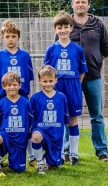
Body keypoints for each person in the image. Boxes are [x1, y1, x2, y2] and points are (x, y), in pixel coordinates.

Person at [70, 0, 108, 162]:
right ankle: (67, 150)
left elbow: (106, 49)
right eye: (77, 2)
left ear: (88, 4)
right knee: (69, 115)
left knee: (97, 116)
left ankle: (102, 151)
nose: (80, 4)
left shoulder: (98, 24)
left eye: (83, 2)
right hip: (71, 79)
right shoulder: (66, 24)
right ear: (73, 4)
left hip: (93, 77)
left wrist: (93, 62)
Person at [44, 10, 88, 165]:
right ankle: (61, 153)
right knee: (58, 121)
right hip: (56, 89)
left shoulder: (77, 49)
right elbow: (46, 73)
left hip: (73, 86)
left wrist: (75, 84)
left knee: (72, 120)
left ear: (71, 28)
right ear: (55, 29)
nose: (62, 30)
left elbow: (82, 72)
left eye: (65, 27)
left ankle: (74, 154)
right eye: (59, 27)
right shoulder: (51, 49)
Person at [0, 19, 35, 165]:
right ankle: (0, 158)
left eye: (13, 36)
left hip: (21, 95)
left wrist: (18, 91)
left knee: (25, 127)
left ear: (18, 37)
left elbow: (28, 78)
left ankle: (32, 158)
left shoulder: (25, 55)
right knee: (5, 128)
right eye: (7, 36)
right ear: (2, 37)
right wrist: (6, 90)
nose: (11, 39)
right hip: (4, 97)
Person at [0, 72, 33, 177]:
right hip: (6, 136)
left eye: (14, 84)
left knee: (18, 169)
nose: (12, 87)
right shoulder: (0, 104)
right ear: (4, 87)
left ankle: (9, 161)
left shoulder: (26, 103)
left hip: (20, 138)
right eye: (8, 85)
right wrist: (2, 135)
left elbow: (31, 123)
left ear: (20, 85)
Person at [30, 65, 69, 174]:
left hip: (56, 132)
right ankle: (40, 163)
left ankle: (48, 159)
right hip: (41, 130)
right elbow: (31, 116)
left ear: (56, 80)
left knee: (54, 165)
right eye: (45, 81)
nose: (48, 84)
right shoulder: (35, 98)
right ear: (39, 81)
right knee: (36, 137)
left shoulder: (61, 97)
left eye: (50, 81)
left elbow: (65, 118)